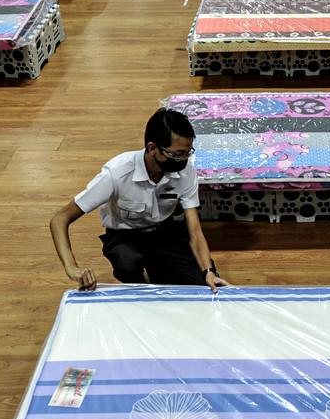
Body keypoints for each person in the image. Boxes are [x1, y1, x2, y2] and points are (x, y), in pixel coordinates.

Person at [50, 108, 230, 293]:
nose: (183, 160)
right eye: (177, 154)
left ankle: (159, 271)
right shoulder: (116, 173)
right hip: (125, 236)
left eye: (187, 152)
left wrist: (208, 271)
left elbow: (194, 230)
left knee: (202, 285)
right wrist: (71, 267)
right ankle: (139, 279)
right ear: (152, 148)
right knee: (128, 263)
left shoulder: (185, 170)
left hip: (165, 231)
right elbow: (60, 219)